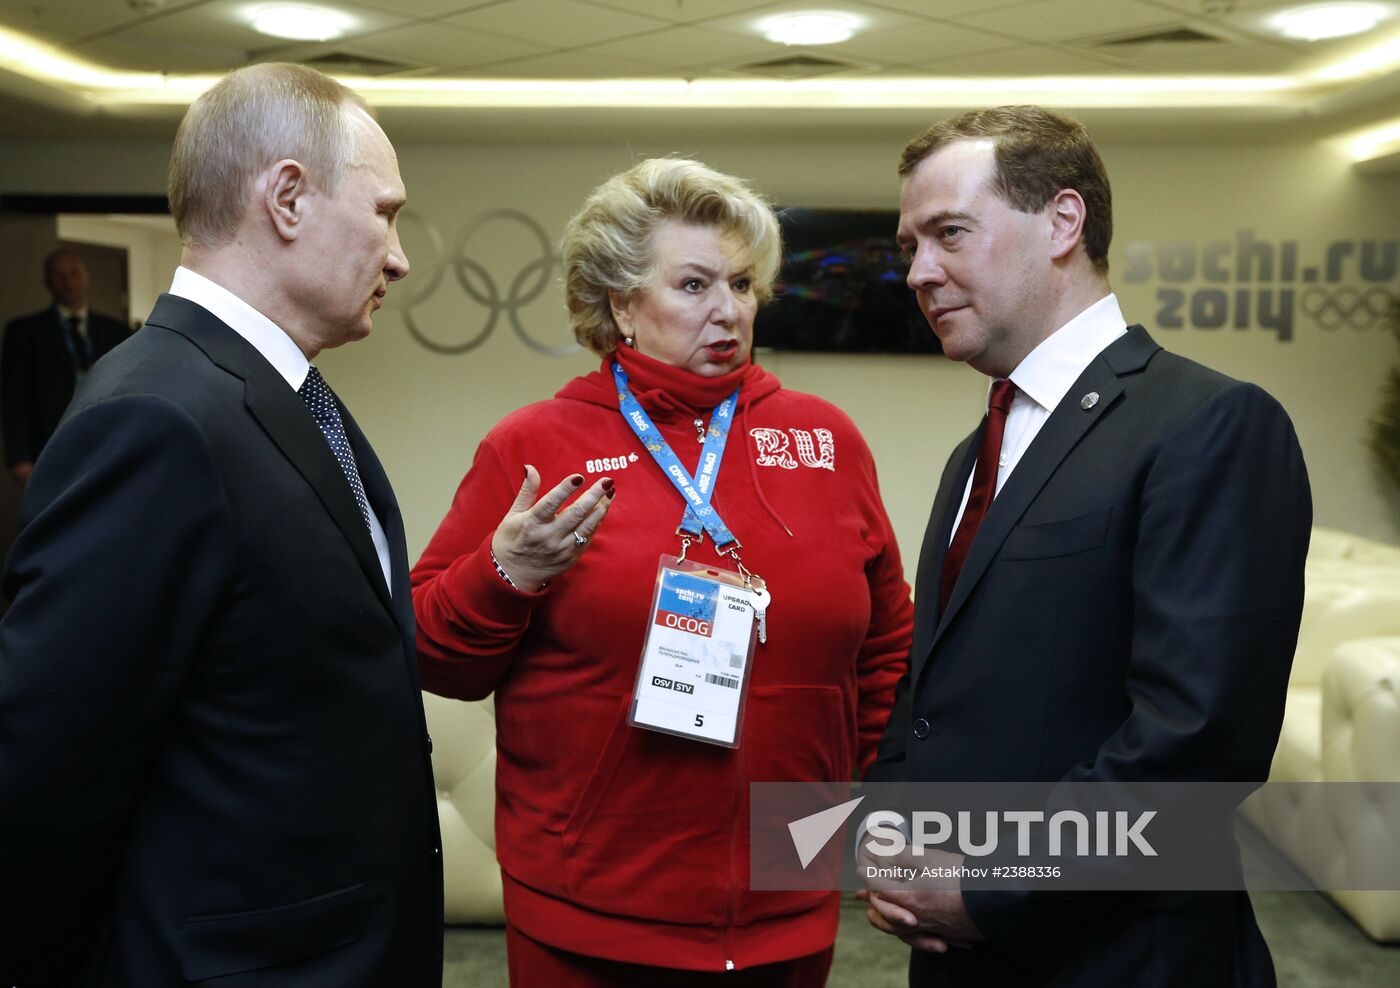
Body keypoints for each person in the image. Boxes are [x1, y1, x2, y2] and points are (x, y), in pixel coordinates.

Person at [412, 157, 914, 986]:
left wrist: (859, 816)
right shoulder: (537, 444)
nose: (729, 311)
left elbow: (888, 648)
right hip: (591, 910)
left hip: (787, 898)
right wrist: (506, 572)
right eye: (693, 285)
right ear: (620, 304)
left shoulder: (826, 441)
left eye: (744, 284)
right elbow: (434, 650)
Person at [0, 64, 443, 986]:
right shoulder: (157, 416)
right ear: (287, 197)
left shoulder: (271, 389)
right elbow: (49, 773)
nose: (398, 257)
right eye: (386, 213)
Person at [861, 106, 1311, 987]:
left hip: (1123, 958)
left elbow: (1201, 741)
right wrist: (891, 829)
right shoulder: (978, 449)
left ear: (1064, 222)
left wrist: (994, 883)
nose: (918, 272)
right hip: (958, 954)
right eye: (909, 245)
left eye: (950, 233)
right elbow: (934, 682)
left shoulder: (1209, 424)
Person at [2, 249, 131, 486]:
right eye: (60, 275)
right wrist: (19, 457)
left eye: (73, 274)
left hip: (105, 439)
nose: (68, 282)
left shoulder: (116, 331)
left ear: (85, 277)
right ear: (48, 281)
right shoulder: (25, 332)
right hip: (49, 442)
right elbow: (13, 398)